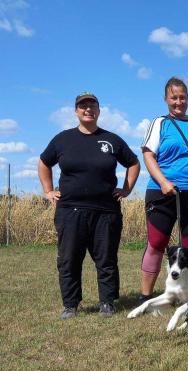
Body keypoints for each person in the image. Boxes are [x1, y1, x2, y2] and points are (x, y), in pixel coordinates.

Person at [38, 92, 140, 319]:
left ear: (98, 110)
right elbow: (44, 162)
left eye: (92, 105)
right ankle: (71, 305)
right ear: (76, 111)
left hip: (106, 211)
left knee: (106, 259)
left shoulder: (112, 140)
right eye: (83, 106)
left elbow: (133, 163)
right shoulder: (62, 139)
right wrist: (48, 190)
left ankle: (107, 302)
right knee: (69, 259)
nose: (88, 109)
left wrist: (127, 188)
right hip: (70, 210)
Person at [138, 77, 188, 302]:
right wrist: (163, 182)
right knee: (156, 244)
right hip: (162, 192)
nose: (178, 102)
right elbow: (148, 155)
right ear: (166, 99)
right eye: (173, 97)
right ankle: (145, 296)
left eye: (182, 97)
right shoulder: (159, 123)